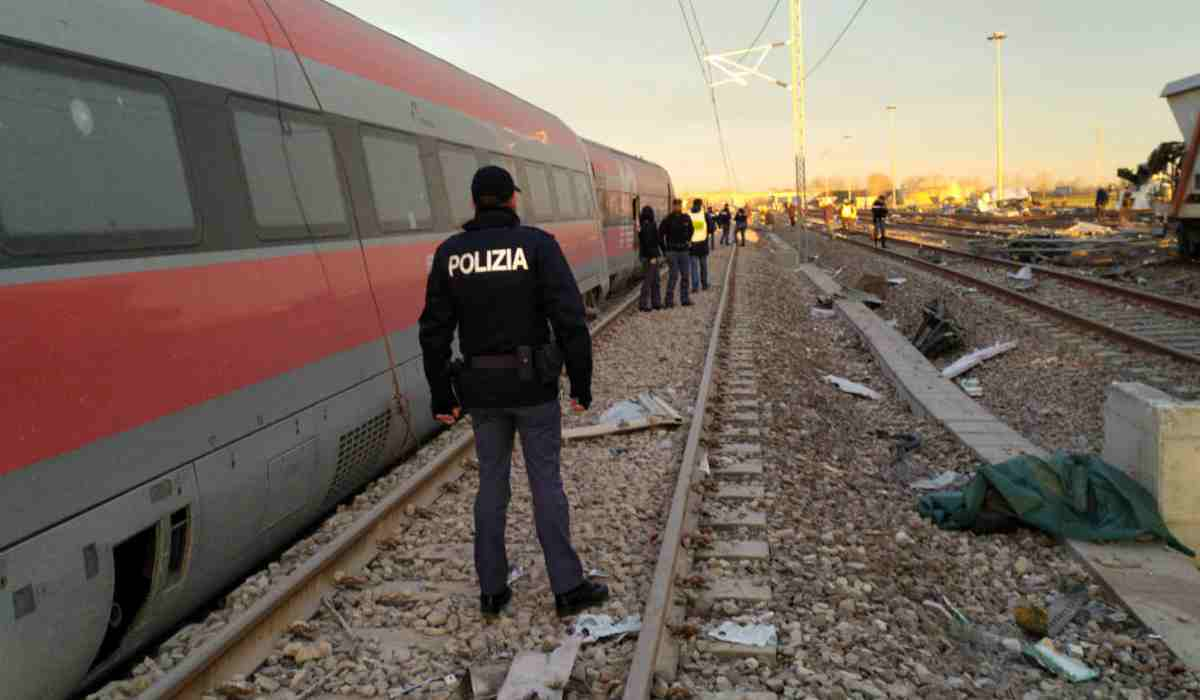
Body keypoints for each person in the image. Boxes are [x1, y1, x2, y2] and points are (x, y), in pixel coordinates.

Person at [418, 165, 608, 619]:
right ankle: (566, 588)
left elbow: (433, 332)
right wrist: (580, 383)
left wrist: (442, 396)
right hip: (534, 388)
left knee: (491, 486)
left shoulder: (450, 254)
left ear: (474, 202)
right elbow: (569, 319)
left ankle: (492, 589)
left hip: (482, 392)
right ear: (511, 200)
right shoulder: (537, 246)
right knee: (546, 483)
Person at [659, 198, 693, 307]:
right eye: (676, 205)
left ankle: (685, 299)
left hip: (683, 250)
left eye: (679, 205)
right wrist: (664, 250)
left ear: (681, 206)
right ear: (673, 206)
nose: (677, 207)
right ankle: (668, 301)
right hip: (672, 251)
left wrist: (688, 240)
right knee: (673, 276)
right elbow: (660, 235)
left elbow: (692, 230)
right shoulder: (667, 219)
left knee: (686, 276)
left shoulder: (686, 218)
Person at [637, 205, 662, 311]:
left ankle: (656, 303)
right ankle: (644, 304)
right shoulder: (649, 226)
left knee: (655, 279)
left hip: (647, 256)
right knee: (649, 281)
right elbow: (650, 242)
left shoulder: (643, 225)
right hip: (650, 257)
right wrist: (653, 256)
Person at [689, 199, 711, 292]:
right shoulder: (705, 215)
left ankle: (695, 287)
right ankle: (705, 285)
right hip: (703, 245)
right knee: (703, 266)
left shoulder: (689, 215)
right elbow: (711, 228)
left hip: (692, 246)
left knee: (694, 268)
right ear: (701, 205)